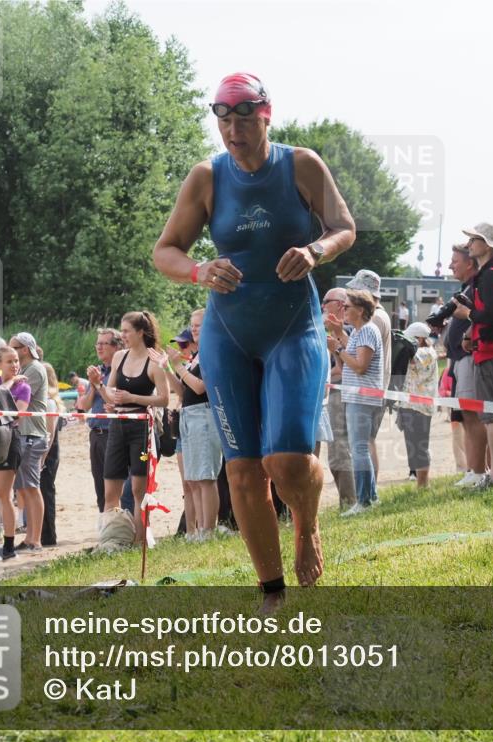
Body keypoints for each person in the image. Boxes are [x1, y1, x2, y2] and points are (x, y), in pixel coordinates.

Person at [152, 71, 355, 601]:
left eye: (244, 120)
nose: (233, 131)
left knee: (284, 461)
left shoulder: (301, 164)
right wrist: (198, 271)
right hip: (229, 333)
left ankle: (307, 527)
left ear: (265, 117)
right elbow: (165, 250)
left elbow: (343, 226)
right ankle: (272, 589)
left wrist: (315, 251)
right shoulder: (207, 177)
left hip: (293, 326)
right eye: (224, 121)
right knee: (242, 472)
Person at [89, 312, 169, 541]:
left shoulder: (154, 361)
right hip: (117, 425)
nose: (122, 335)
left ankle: (139, 540)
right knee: (110, 489)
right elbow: (111, 395)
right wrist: (98, 384)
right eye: (121, 331)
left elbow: (164, 399)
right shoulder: (119, 357)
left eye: (126, 331)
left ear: (140, 332)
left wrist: (133, 398)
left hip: (141, 428)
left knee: (138, 491)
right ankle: (111, 541)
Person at [452, 223, 493, 487]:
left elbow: (490, 314)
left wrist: (466, 314)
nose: (469, 244)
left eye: (474, 239)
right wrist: (470, 333)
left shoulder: (491, 275)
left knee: (491, 414)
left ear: (487, 245)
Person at [165, 308, 222, 541]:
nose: (193, 329)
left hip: (204, 415)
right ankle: (199, 529)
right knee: (194, 478)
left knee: (206, 477)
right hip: (189, 415)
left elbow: (200, 388)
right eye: (192, 325)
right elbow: (183, 391)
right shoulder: (197, 355)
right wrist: (167, 368)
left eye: (198, 325)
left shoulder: (212, 352)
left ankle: (208, 529)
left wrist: (178, 366)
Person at [327, 289, 383, 514]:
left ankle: (363, 501)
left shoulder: (367, 330)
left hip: (362, 397)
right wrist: (339, 333)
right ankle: (370, 498)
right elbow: (354, 352)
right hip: (358, 396)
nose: (343, 309)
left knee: (358, 448)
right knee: (359, 447)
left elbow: (360, 366)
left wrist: (338, 349)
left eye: (347, 306)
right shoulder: (362, 331)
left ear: (360, 310)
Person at [444, 242, 487, 487]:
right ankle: (473, 469)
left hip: (469, 358)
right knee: (466, 416)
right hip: (460, 360)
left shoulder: (477, 287)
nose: (451, 265)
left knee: (472, 414)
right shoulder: (467, 288)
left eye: (455, 261)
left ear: (470, 263)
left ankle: (479, 471)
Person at [0, 345, 30, 560]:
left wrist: (12, 384)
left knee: (3, 494)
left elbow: (15, 414)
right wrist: (9, 383)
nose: (15, 365)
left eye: (16, 360)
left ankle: (9, 547)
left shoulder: (24, 387)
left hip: (9, 439)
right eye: (9, 361)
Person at [345, 270, 391, 481]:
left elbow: (362, 359)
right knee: (365, 443)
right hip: (371, 388)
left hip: (368, 390)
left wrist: (339, 350)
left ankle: (368, 491)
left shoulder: (374, 321)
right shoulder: (378, 317)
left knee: (364, 444)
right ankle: (369, 490)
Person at [8, 331, 49, 551]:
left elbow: (16, 397)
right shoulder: (26, 369)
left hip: (32, 433)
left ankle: (36, 539)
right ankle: (30, 538)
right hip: (26, 433)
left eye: (14, 348)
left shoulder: (34, 369)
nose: (11, 351)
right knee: (24, 489)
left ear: (25, 349)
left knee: (32, 488)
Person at [75, 328, 124, 515]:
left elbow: (115, 400)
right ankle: (105, 523)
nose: (99, 347)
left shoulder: (122, 370)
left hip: (113, 433)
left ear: (116, 347)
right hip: (96, 434)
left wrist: (99, 384)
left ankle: (118, 524)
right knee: (99, 484)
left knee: (116, 485)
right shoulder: (98, 370)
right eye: (98, 343)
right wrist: (94, 384)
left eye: (104, 343)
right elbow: (85, 405)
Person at [321, 287, 357, 509]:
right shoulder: (331, 330)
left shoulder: (348, 331)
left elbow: (346, 369)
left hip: (341, 393)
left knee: (339, 450)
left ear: (341, 304)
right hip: (331, 393)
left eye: (327, 300)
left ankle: (350, 503)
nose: (323, 305)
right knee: (335, 452)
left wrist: (323, 377)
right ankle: (350, 502)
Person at [396, 322, 438, 487]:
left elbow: (414, 358)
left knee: (420, 445)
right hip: (409, 405)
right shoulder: (415, 352)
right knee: (412, 444)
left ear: (419, 339)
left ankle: (423, 485)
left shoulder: (428, 353)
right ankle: (419, 481)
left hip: (420, 407)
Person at [40, 361, 64, 547]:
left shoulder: (49, 402)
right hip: (48, 449)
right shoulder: (50, 400)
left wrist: (43, 457)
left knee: (46, 490)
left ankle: (48, 536)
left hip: (48, 451)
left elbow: (50, 432)